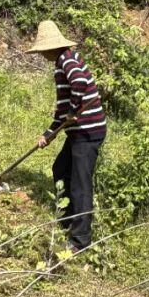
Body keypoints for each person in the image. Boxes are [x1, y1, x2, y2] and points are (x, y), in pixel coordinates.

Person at [28, 20, 107, 252]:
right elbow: (63, 110)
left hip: (88, 131)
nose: (42, 55)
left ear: (51, 48)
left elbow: (79, 83)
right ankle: (67, 219)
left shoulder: (67, 59)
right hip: (78, 131)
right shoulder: (63, 62)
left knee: (81, 184)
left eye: (43, 51)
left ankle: (80, 241)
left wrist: (73, 111)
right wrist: (48, 134)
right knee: (61, 169)